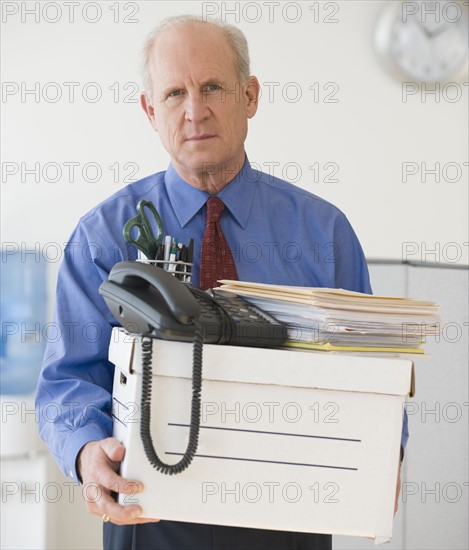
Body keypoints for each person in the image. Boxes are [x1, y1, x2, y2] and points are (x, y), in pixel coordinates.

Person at [36, 15, 406, 550]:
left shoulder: (324, 232)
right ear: (149, 110)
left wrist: (383, 456)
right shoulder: (103, 237)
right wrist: (85, 452)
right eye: (173, 93)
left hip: (290, 521)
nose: (194, 111)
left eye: (212, 87)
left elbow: (375, 376)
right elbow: (66, 381)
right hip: (149, 515)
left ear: (250, 95)